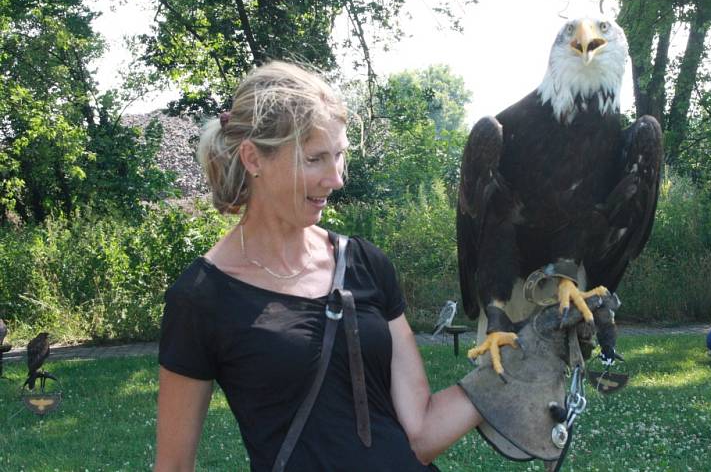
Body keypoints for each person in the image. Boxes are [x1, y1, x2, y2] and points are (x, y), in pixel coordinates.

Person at [154, 61, 482, 471]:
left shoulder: (365, 263)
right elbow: (173, 466)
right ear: (254, 158)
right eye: (314, 159)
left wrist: (513, 371)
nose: (336, 178)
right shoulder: (202, 298)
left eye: (339, 155)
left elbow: (421, 433)